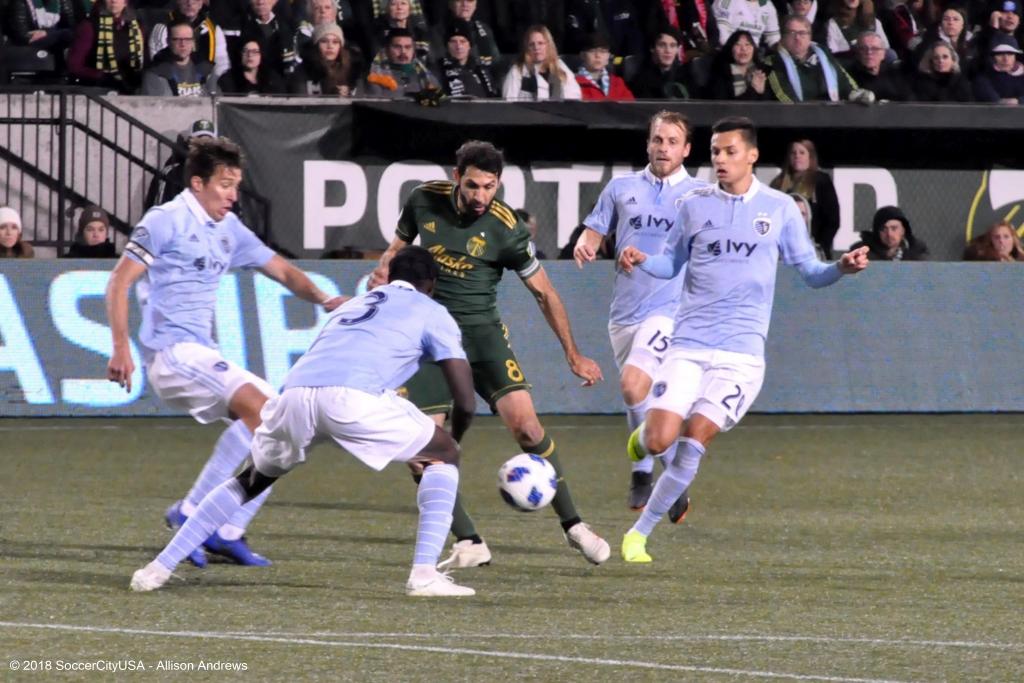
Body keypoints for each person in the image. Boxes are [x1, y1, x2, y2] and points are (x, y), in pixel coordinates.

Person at [130, 245, 479, 597]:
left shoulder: (357, 303)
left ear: (391, 275)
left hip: (294, 395)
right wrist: (456, 440)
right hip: (351, 399)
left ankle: (157, 568)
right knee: (444, 453)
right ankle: (423, 574)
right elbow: (464, 398)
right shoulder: (434, 312)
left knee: (250, 480)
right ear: (432, 284)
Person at [617, 116, 869, 564]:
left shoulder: (779, 209)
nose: (720, 159)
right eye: (715, 151)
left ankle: (639, 534)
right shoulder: (694, 205)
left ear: (751, 155)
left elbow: (810, 273)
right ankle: (646, 436)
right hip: (689, 344)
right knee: (657, 442)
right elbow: (670, 263)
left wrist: (841, 269)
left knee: (694, 441)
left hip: (741, 355)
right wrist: (642, 260)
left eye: (729, 151)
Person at [106, 136, 345, 569]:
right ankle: (192, 515)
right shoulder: (166, 220)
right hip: (172, 353)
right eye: (225, 185)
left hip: (201, 351)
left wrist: (326, 300)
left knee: (284, 425)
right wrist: (120, 348)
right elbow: (119, 282)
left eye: (237, 185)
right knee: (268, 409)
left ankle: (227, 530)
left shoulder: (228, 228)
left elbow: (284, 271)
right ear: (197, 183)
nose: (233, 196)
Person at [369, 140, 610, 568]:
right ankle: (470, 540)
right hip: (427, 339)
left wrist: (573, 355)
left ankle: (574, 525)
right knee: (421, 446)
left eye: (491, 186)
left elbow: (544, 293)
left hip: (481, 337)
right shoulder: (422, 198)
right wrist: (386, 269)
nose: (482, 196)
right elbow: (397, 247)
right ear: (456, 176)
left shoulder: (506, 227)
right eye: (474, 185)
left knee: (528, 429)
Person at [573, 111, 704, 515]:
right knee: (637, 397)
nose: (663, 147)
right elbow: (596, 228)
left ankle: (653, 472)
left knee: (632, 386)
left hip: (670, 310)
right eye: (657, 140)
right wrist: (587, 242)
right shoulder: (622, 187)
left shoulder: (700, 195)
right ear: (648, 144)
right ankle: (653, 474)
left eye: (671, 141)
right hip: (624, 311)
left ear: (686, 149)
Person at [769, 139, 840, 258]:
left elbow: (832, 220)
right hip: (783, 251)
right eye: (793, 153)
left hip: (813, 249)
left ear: (810, 157)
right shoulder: (778, 183)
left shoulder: (821, 181)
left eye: (802, 153)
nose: (797, 156)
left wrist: (821, 246)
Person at [766, 15, 862, 102]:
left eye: (802, 33)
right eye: (792, 33)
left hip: (831, 113)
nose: (797, 38)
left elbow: (843, 80)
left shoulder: (824, 54)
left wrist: (855, 94)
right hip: (799, 116)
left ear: (810, 37)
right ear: (783, 37)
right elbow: (786, 98)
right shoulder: (774, 63)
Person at [67, 0, 147, 93]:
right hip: (98, 88)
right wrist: (100, 75)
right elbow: (74, 66)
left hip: (131, 85)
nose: (114, 1)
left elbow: (144, 58)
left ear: (125, 2)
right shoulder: (89, 27)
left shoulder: (136, 28)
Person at [144, 118, 216, 211]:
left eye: (209, 143)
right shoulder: (172, 173)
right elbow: (158, 210)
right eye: (199, 142)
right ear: (189, 143)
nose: (204, 147)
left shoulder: (220, 173)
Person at [148, 0, 230, 77]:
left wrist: (212, 81)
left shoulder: (213, 29)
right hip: (170, 82)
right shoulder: (162, 27)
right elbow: (159, 65)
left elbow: (222, 64)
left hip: (205, 83)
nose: (190, 2)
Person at [501, 24, 582, 100]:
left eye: (540, 43)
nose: (536, 47)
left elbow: (573, 97)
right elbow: (508, 103)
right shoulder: (518, 70)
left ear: (548, 45)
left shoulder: (560, 67)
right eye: (531, 44)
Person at [141, 20, 219, 96]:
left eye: (187, 39)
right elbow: (156, 106)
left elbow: (216, 102)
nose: (183, 44)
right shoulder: (156, 72)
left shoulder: (206, 69)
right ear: (168, 41)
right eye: (177, 39)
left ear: (193, 42)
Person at [361, 27, 441, 98]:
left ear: (413, 50)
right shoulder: (375, 76)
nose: (403, 52)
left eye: (408, 47)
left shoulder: (427, 76)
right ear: (387, 50)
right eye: (397, 47)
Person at [288, 22, 361, 95]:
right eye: (324, 41)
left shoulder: (353, 71)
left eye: (335, 42)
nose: (330, 46)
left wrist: (349, 94)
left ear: (340, 46)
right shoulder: (302, 71)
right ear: (316, 45)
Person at [434, 19, 500, 97]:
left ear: (469, 45)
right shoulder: (437, 70)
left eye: (463, 41)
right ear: (447, 45)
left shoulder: (481, 70)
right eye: (453, 41)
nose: (458, 46)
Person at [627, 28, 696, 99]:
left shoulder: (687, 76)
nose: (668, 51)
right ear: (652, 48)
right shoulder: (641, 79)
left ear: (677, 49)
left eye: (672, 45)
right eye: (662, 45)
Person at [706, 29, 771, 99]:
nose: (743, 49)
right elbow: (723, 106)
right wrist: (753, 90)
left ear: (754, 49)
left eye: (747, 44)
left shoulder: (763, 71)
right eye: (738, 44)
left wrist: (761, 92)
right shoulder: (720, 72)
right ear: (731, 48)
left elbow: (772, 104)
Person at [847, 30, 911, 100]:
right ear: (857, 53)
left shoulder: (895, 74)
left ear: (883, 54)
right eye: (863, 48)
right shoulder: (848, 76)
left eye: (875, 49)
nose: (869, 52)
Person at [851, 205, 929, 260]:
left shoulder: (918, 251)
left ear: (903, 230)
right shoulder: (862, 252)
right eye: (883, 229)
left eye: (894, 228)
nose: (889, 234)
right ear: (876, 232)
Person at [821, 0, 890, 60]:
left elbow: (886, 46)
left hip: (875, 62)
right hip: (849, 64)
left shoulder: (874, 21)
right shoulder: (833, 23)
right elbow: (833, 53)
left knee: (891, 54)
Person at [575, 31, 635, 100]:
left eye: (603, 51)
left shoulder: (617, 82)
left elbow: (631, 107)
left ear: (608, 56)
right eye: (592, 51)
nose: (598, 55)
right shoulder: (574, 83)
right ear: (582, 55)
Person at [216, 37, 289, 94]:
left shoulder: (273, 79)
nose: (250, 55)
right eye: (245, 51)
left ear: (261, 55)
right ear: (240, 54)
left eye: (255, 51)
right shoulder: (228, 79)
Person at [973, 34, 1024, 103]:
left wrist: (1018, 101)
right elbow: (992, 100)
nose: (1006, 59)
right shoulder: (984, 78)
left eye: (1010, 54)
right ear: (992, 57)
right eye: (1000, 54)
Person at [712, 0, 781, 48]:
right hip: (729, 54)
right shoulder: (726, 1)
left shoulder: (767, 4)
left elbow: (774, 38)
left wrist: (780, 50)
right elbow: (722, 37)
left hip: (754, 57)